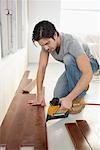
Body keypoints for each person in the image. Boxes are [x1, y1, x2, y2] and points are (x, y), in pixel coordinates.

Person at [31, 20, 99, 113]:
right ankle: (83, 85)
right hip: (75, 66)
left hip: (90, 64)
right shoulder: (46, 47)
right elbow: (41, 68)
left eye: (47, 43)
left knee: (68, 58)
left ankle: (80, 96)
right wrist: (39, 95)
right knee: (58, 96)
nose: (46, 48)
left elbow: (88, 73)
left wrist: (69, 99)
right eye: (43, 45)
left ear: (55, 35)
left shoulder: (71, 42)